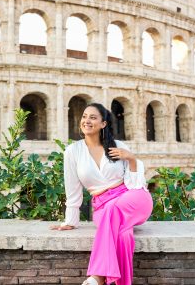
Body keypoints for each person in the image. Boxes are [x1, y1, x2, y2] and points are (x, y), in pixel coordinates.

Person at [50, 103, 153, 285]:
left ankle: (98, 275)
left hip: (133, 198)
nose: (86, 121)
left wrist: (131, 158)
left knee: (114, 209)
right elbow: (72, 188)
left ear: (103, 124)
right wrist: (70, 220)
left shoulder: (118, 146)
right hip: (103, 205)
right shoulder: (72, 152)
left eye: (92, 117)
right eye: (84, 116)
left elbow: (136, 183)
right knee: (123, 235)